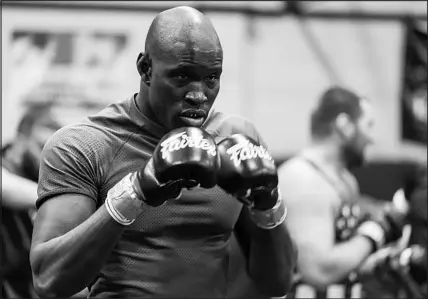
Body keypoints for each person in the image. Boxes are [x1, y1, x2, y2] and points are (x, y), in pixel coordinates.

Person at [30, 6, 297, 298]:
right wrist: (136, 191)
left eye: (211, 78)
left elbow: (277, 283)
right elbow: (48, 280)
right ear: (146, 69)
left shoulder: (238, 139)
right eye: (182, 77)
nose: (198, 95)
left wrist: (268, 203)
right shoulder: (85, 145)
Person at [277, 87, 407, 298]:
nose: (372, 138)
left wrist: (382, 262)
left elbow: (343, 262)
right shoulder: (304, 180)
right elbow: (319, 271)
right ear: (345, 125)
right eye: (368, 125)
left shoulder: (345, 180)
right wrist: (378, 231)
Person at [1, 103, 61, 298]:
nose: (48, 157)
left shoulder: (39, 177)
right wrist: (58, 200)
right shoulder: (6, 165)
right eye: (42, 146)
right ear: (20, 140)